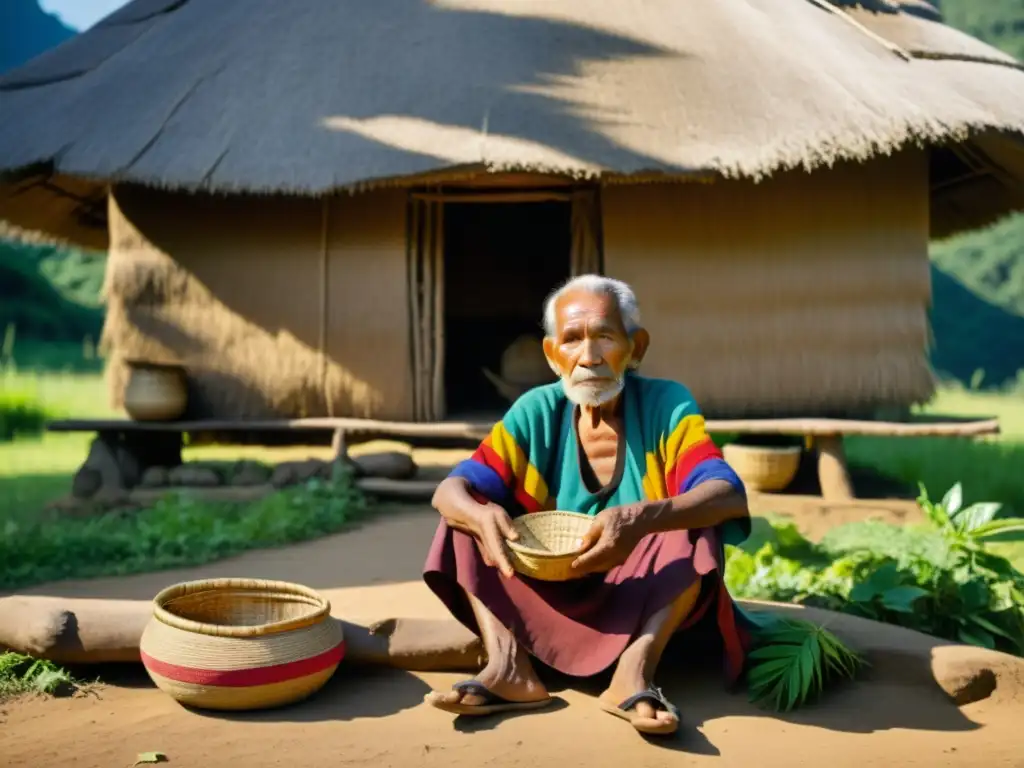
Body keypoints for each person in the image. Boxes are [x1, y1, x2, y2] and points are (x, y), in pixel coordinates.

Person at [422, 274, 751, 736]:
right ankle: (509, 667)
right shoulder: (535, 411)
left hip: (640, 593)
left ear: (636, 347)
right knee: (464, 521)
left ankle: (634, 672)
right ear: (553, 355)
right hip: (548, 588)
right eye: (572, 340)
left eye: (605, 337)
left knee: (691, 522)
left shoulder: (666, 404)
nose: (589, 357)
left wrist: (640, 518)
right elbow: (449, 491)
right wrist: (479, 514)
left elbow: (727, 492)